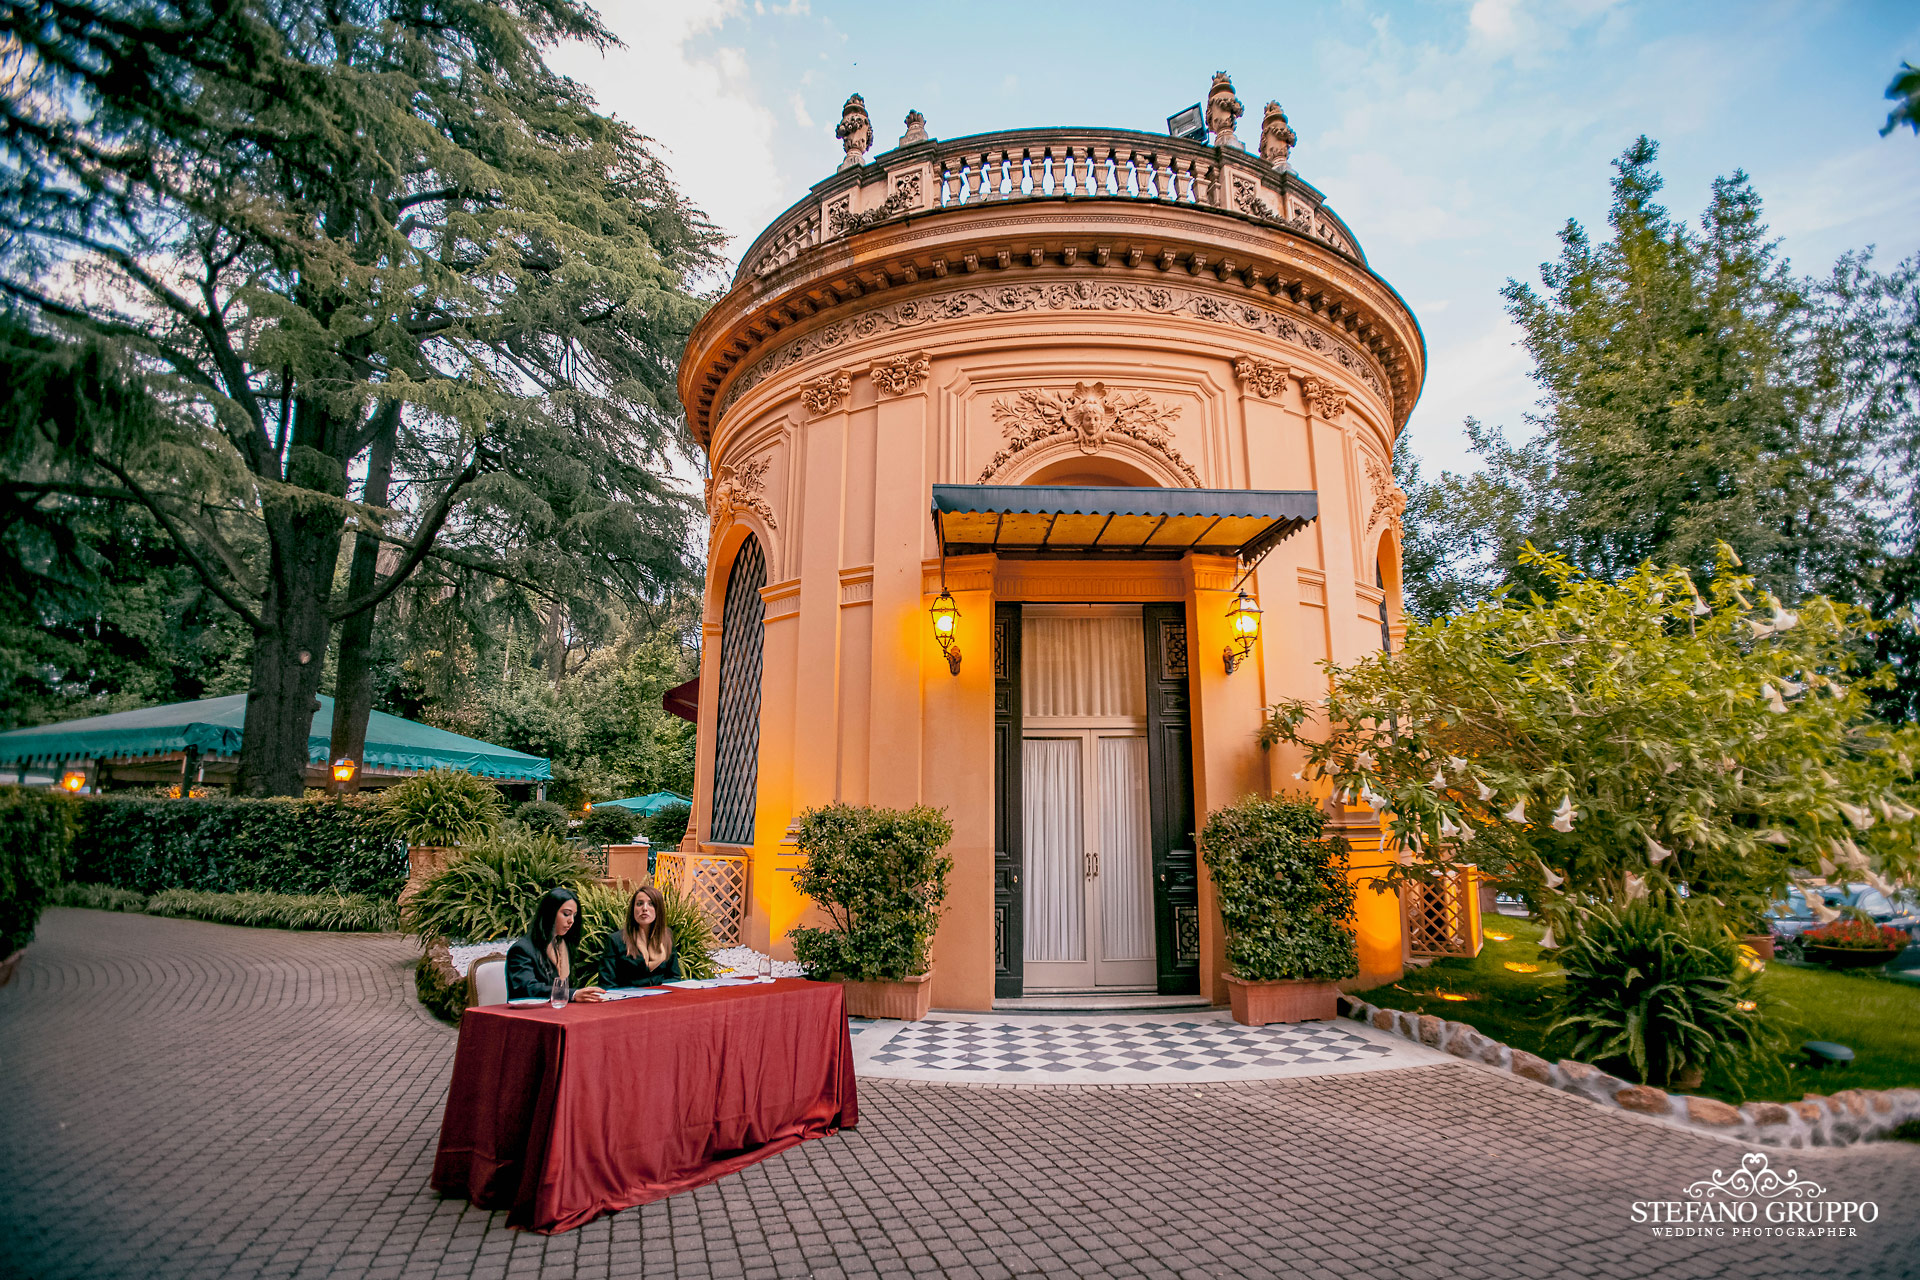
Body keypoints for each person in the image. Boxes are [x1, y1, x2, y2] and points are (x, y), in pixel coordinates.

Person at [505, 887, 606, 1002]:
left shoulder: (565, 945)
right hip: (530, 1015)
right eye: (566, 914)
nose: (571, 920)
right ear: (550, 913)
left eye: (574, 915)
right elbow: (527, 988)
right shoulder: (522, 949)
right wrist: (572, 994)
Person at [597, 884, 681, 989]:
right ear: (633, 909)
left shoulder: (666, 936)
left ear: (658, 909)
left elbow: (674, 977)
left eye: (651, 904)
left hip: (660, 1000)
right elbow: (607, 984)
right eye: (639, 904)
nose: (645, 908)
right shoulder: (616, 940)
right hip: (627, 1001)